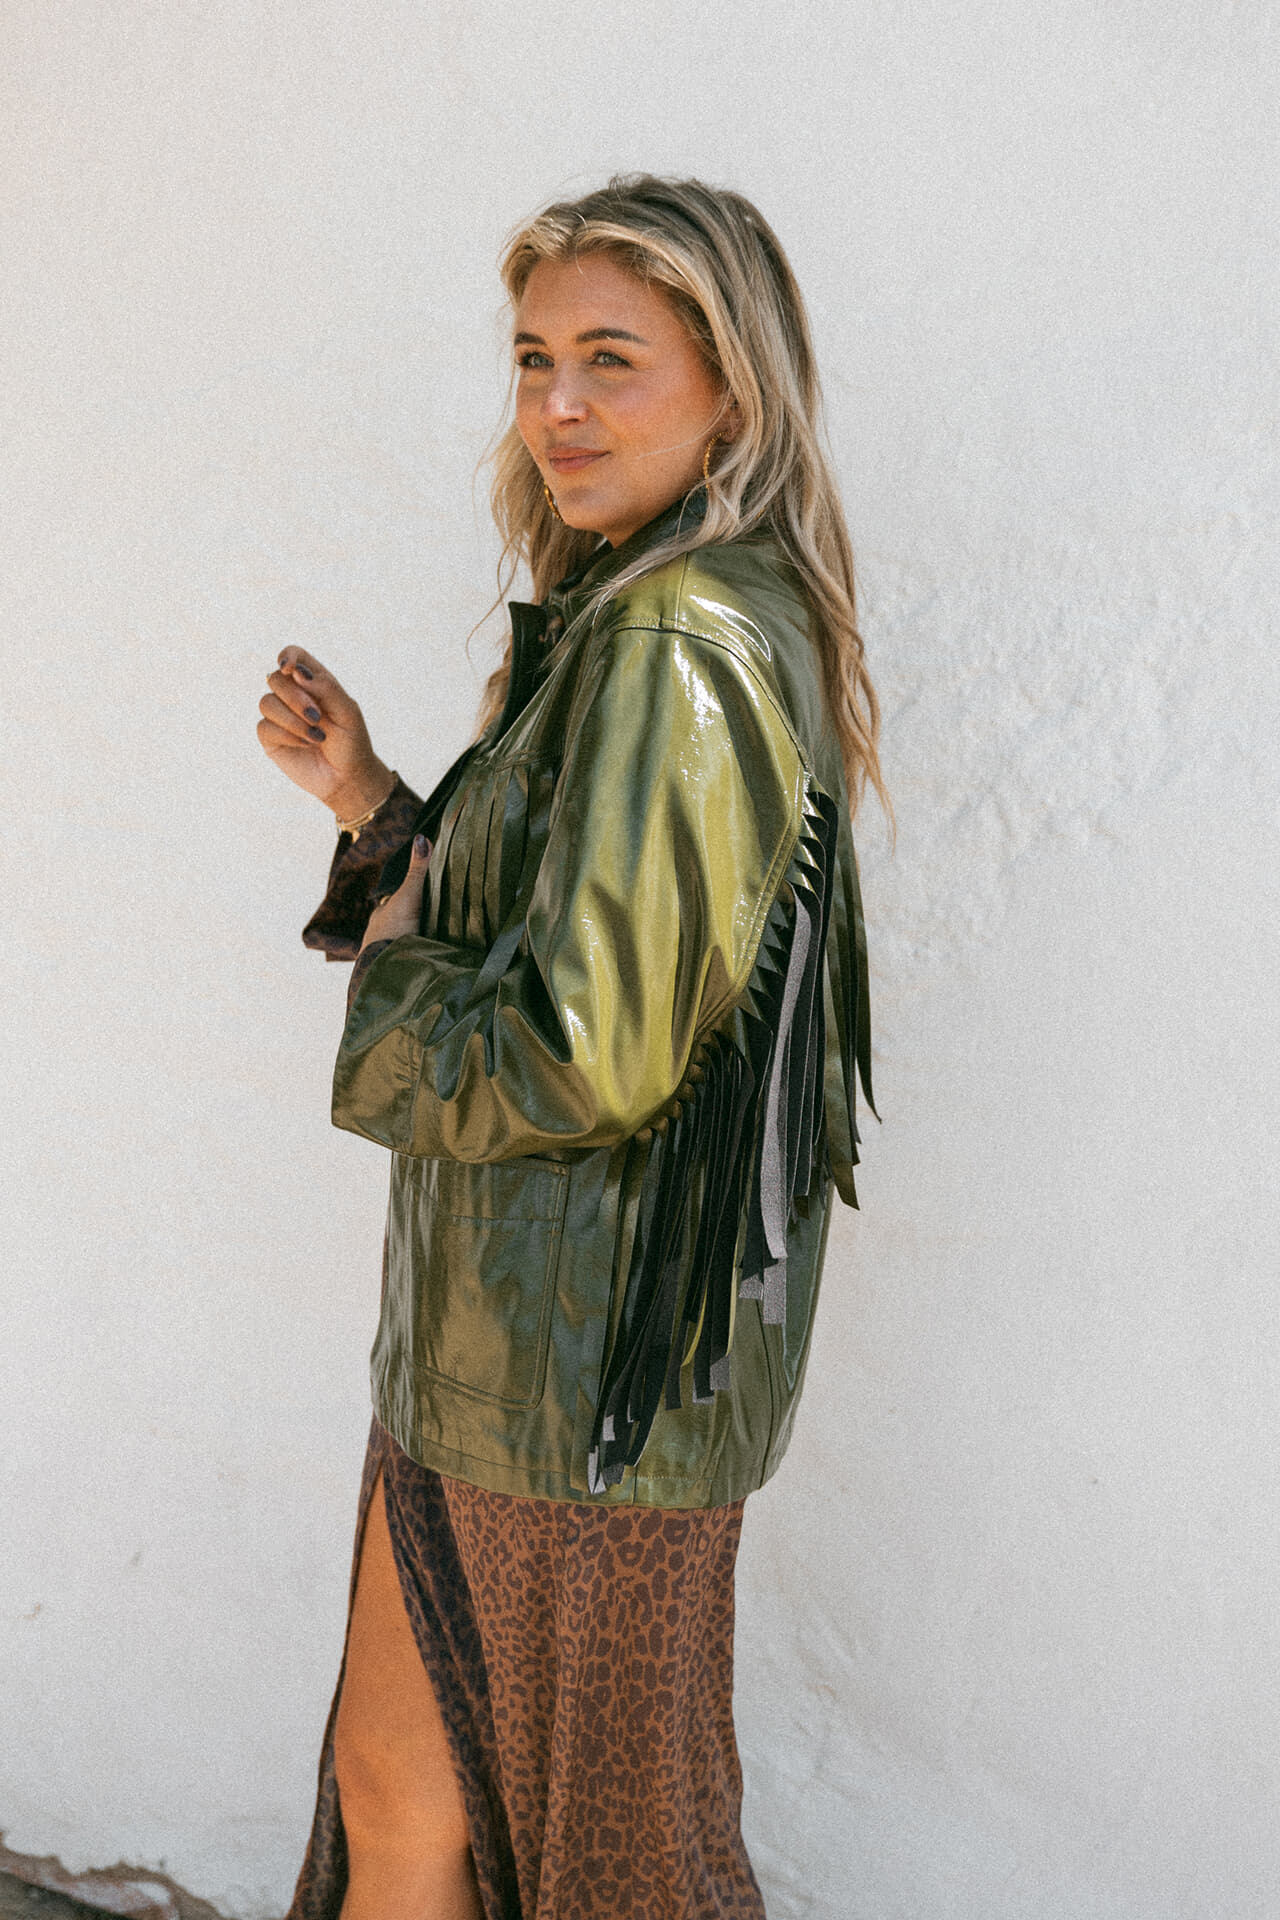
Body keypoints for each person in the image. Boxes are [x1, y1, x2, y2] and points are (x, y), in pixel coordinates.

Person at [257, 174, 885, 1920]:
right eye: (536, 360)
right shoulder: (634, 614)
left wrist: (389, 991)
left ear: (733, 389)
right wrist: (376, 807)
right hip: (506, 1355)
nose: (559, 407)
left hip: (581, 1389)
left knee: (620, 1875)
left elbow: (583, 1051)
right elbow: (576, 938)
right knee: (400, 1799)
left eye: (613, 358)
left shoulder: (683, 639)